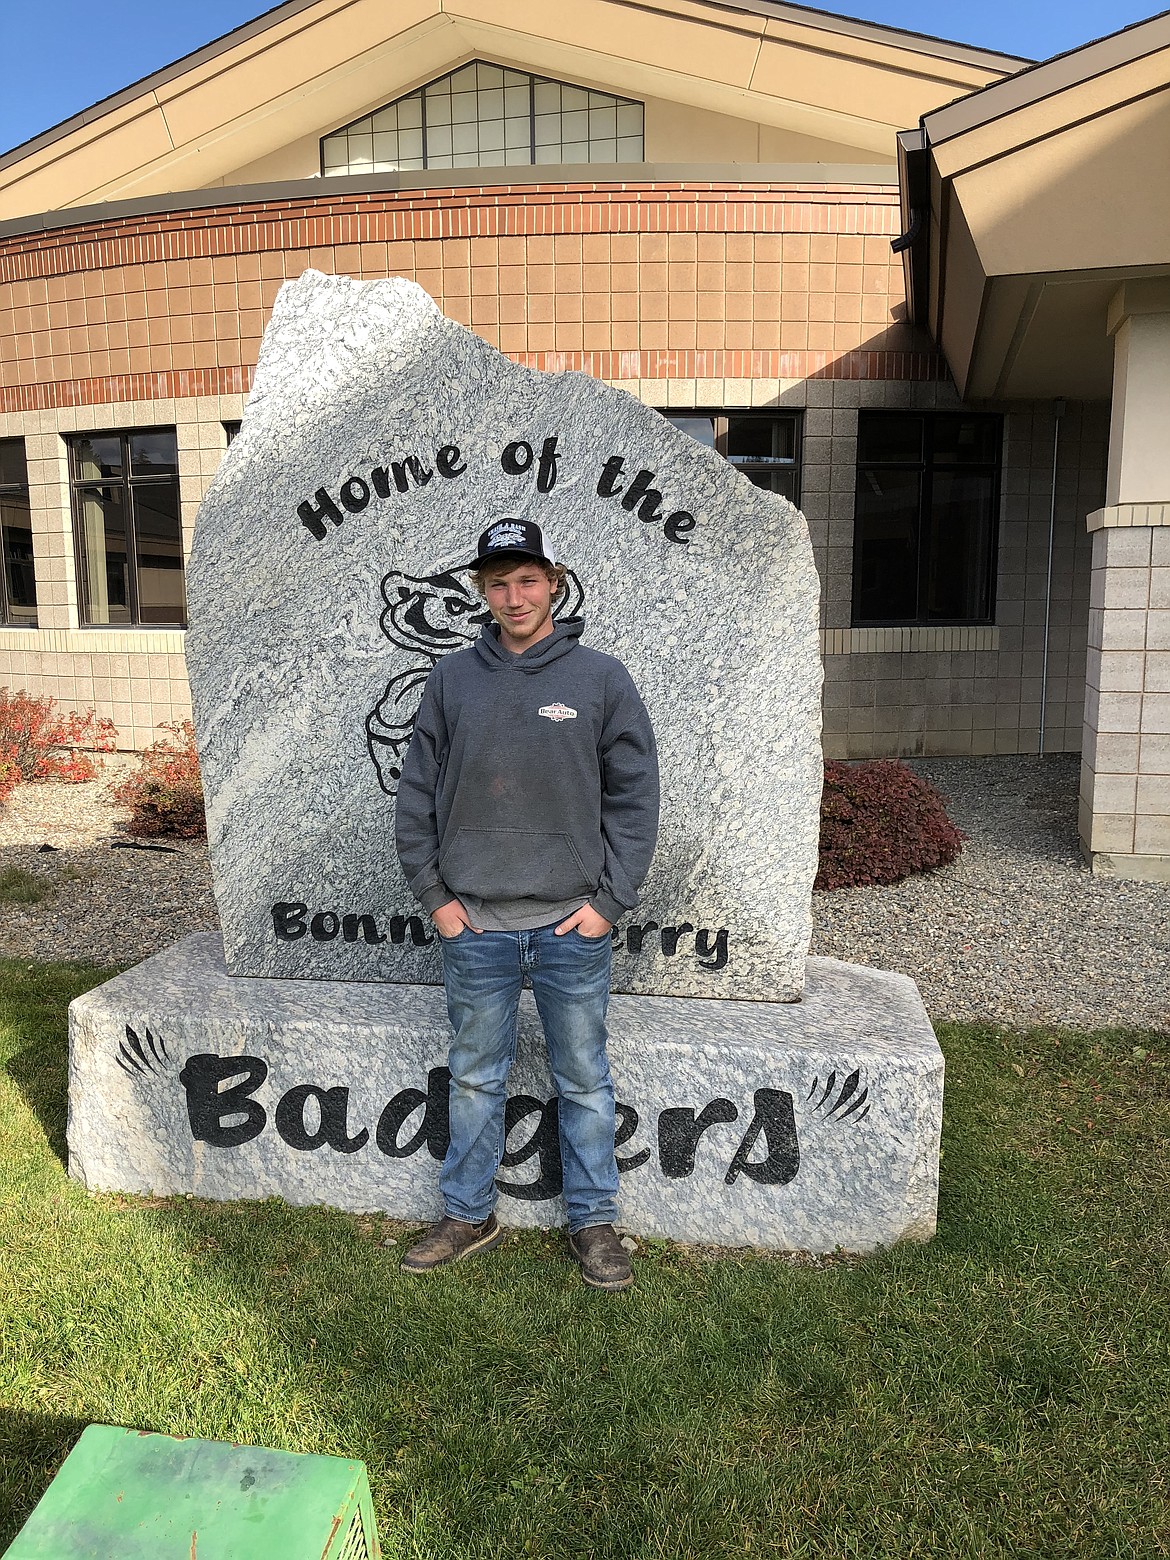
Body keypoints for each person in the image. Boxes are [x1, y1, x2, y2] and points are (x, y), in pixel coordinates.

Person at [394, 518, 659, 1290]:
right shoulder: (450, 681)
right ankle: (468, 1213)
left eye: (528, 580)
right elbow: (415, 797)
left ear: (555, 582)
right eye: (499, 583)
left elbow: (635, 801)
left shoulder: (602, 680)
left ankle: (595, 1222)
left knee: (583, 1079)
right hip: (474, 923)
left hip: (572, 925)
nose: (515, 597)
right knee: (475, 1077)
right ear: (482, 590)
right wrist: (436, 898)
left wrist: (609, 903)